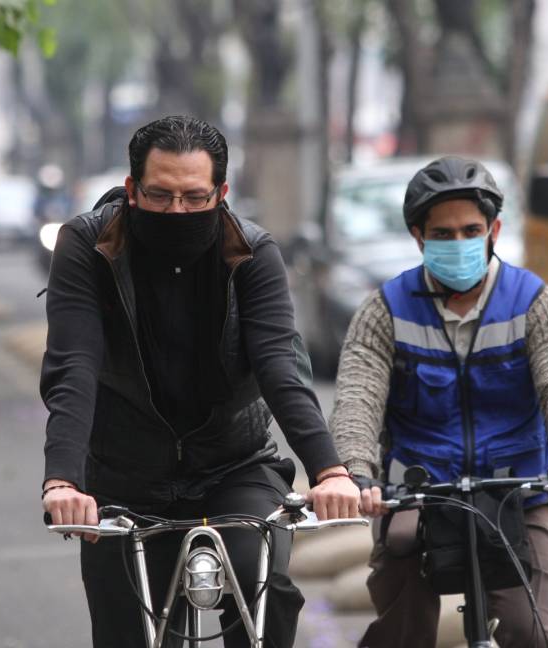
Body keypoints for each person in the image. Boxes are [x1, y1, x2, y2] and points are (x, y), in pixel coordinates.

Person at [39, 115, 361, 647]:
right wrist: (63, 482)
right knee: (126, 631)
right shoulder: (87, 247)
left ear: (221, 192)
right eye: (159, 196)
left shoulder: (253, 254)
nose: (177, 211)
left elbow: (281, 367)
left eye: (194, 197)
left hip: (233, 465)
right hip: (124, 472)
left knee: (261, 588)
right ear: (131, 190)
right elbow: (74, 366)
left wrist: (330, 471)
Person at [329, 156, 548, 648]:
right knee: (401, 630)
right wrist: (354, 472)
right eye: (443, 234)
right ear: (419, 237)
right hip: (417, 490)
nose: (459, 244)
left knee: (533, 633)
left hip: (521, 490)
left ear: (494, 229)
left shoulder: (535, 301)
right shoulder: (383, 310)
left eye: (471, 230)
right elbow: (357, 400)